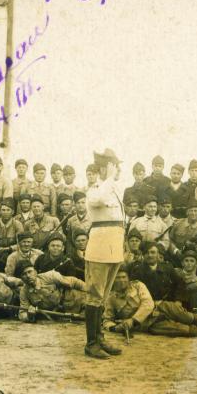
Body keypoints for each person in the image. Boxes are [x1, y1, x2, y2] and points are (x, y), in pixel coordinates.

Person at [103, 266, 197, 338]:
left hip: (161, 307)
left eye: (123, 277)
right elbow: (106, 319)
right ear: (112, 280)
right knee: (183, 330)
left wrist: (132, 320)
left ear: (128, 278)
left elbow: (147, 304)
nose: (121, 281)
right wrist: (115, 327)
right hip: (149, 323)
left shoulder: (138, 285)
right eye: (117, 278)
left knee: (187, 317)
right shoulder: (110, 298)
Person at [83, 148, 127, 359]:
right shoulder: (95, 189)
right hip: (100, 249)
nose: (117, 170)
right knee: (95, 295)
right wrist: (108, 177)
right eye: (114, 166)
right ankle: (91, 344)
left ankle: (99, 339)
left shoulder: (113, 189)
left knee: (103, 296)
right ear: (104, 168)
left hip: (113, 247)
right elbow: (97, 200)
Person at [16, 260, 87, 322]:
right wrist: (29, 315)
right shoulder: (24, 292)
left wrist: (90, 291)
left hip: (74, 302)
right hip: (58, 315)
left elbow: (74, 282)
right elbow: (22, 313)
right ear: (21, 278)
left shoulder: (50, 276)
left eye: (29, 272)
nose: (28, 276)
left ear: (35, 272)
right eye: (24, 274)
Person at [0, 198, 24, 270]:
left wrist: (8, 249)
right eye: (3, 210)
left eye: (8, 210)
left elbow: (21, 244)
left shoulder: (17, 225)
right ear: (0, 211)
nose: (5, 212)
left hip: (14, 254)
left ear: (12, 212)